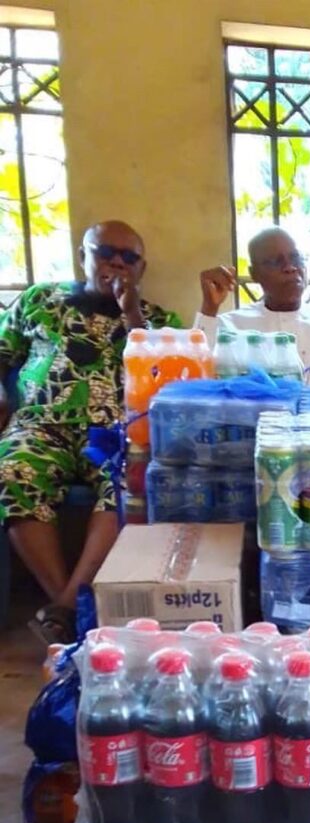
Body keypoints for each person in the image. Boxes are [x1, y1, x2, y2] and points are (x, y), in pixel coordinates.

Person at [0, 221, 180, 644]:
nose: (116, 262)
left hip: (116, 432)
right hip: (40, 427)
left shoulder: (157, 319)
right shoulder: (40, 300)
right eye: (105, 252)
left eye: (129, 257)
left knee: (128, 483)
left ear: (141, 268)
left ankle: (64, 609)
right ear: (84, 256)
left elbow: (165, 374)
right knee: (11, 472)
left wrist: (131, 314)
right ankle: (68, 606)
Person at [195, 228, 310, 387]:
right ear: (254, 273)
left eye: (296, 258)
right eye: (275, 261)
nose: (290, 268)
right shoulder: (231, 327)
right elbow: (197, 381)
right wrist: (209, 309)